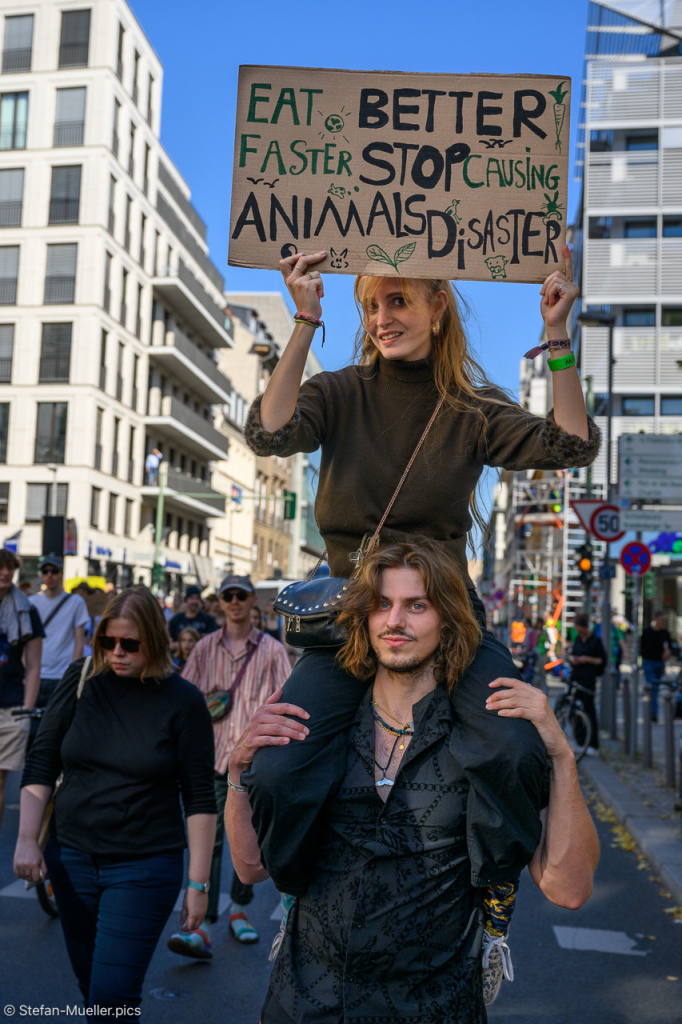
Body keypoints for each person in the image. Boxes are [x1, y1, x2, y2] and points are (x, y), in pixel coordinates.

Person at [242, 247, 600, 894]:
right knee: (275, 772)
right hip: (352, 623)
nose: (382, 317)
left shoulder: (470, 406)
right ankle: (306, 895)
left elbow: (570, 443)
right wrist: (304, 319)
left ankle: (487, 900)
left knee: (514, 752)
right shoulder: (337, 391)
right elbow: (269, 435)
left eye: (399, 300)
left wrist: (556, 334)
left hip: (450, 622)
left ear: (439, 307)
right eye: (372, 305)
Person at [227, 542, 599, 1024]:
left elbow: (568, 889)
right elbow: (251, 867)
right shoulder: (320, 735)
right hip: (303, 1005)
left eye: (416, 605)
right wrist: (238, 772)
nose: (394, 621)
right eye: (382, 604)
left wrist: (562, 756)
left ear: (448, 621)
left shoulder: (485, 745)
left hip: (433, 1010)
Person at [14, 586, 216, 1017]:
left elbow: (199, 798)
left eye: (129, 644)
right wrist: (26, 838)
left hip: (143, 867)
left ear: (155, 642)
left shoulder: (184, 701)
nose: (116, 652)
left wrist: (197, 886)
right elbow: (42, 761)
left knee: (111, 999)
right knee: (94, 993)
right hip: (71, 861)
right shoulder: (82, 678)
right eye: (108, 642)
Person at [168, 574, 290, 959]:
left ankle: (240, 909)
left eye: (240, 595)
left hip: (257, 763)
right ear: (220, 602)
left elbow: (286, 697)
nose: (234, 601)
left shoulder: (271, 650)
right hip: (214, 758)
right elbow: (184, 697)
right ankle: (203, 924)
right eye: (227, 596)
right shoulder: (204, 648)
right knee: (215, 839)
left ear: (252, 601)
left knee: (249, 839)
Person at [0, 548, 43, 831]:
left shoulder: (26, 609)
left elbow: (35, 666)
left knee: (0, 780)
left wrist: (26, 710)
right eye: (0, 568)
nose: (5, 573)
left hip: (11, 706)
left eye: (10, 569)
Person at [29, 555, 90, 745]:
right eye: (45, 571)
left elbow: (79, 642)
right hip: (36, 675)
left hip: (61, 675)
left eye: (54, 571)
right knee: (30, 733)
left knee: (55, 730)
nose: (49, 575)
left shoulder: (75, 602)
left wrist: (74, 675)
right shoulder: (32, 602)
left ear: (61, 574)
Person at [567, 613, 606, 754]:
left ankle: (592, 743)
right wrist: (572, 658)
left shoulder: (595, 641)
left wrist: (587, 659)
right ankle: (580, 740)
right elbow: (572, 651)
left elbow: (601, 660)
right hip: (576, 676)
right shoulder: (578, 638)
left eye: (581, 630)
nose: (579, 632)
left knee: (589, 709)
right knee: (574, 709)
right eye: (577, 630)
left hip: (588, 678)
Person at [640, 610, 671, 723]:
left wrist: (667, 653)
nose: (663, 622)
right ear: (656, 619)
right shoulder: (647, 632)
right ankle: (653, 712)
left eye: (665, 621)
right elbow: (642, 648)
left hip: (659, 663)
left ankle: (651, 708)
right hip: (648, 662)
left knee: (656, 688)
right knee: (652, 686)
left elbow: (669, 646)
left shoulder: (665, 633)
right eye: (662, 620)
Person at [168, 585, 218, 652]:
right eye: (191, 598)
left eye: (197, 598)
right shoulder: (176, 620)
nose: (194, 601)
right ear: (186, 600)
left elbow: (214, 638)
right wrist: (181, 645)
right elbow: (169, 642)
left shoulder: (207, 619)